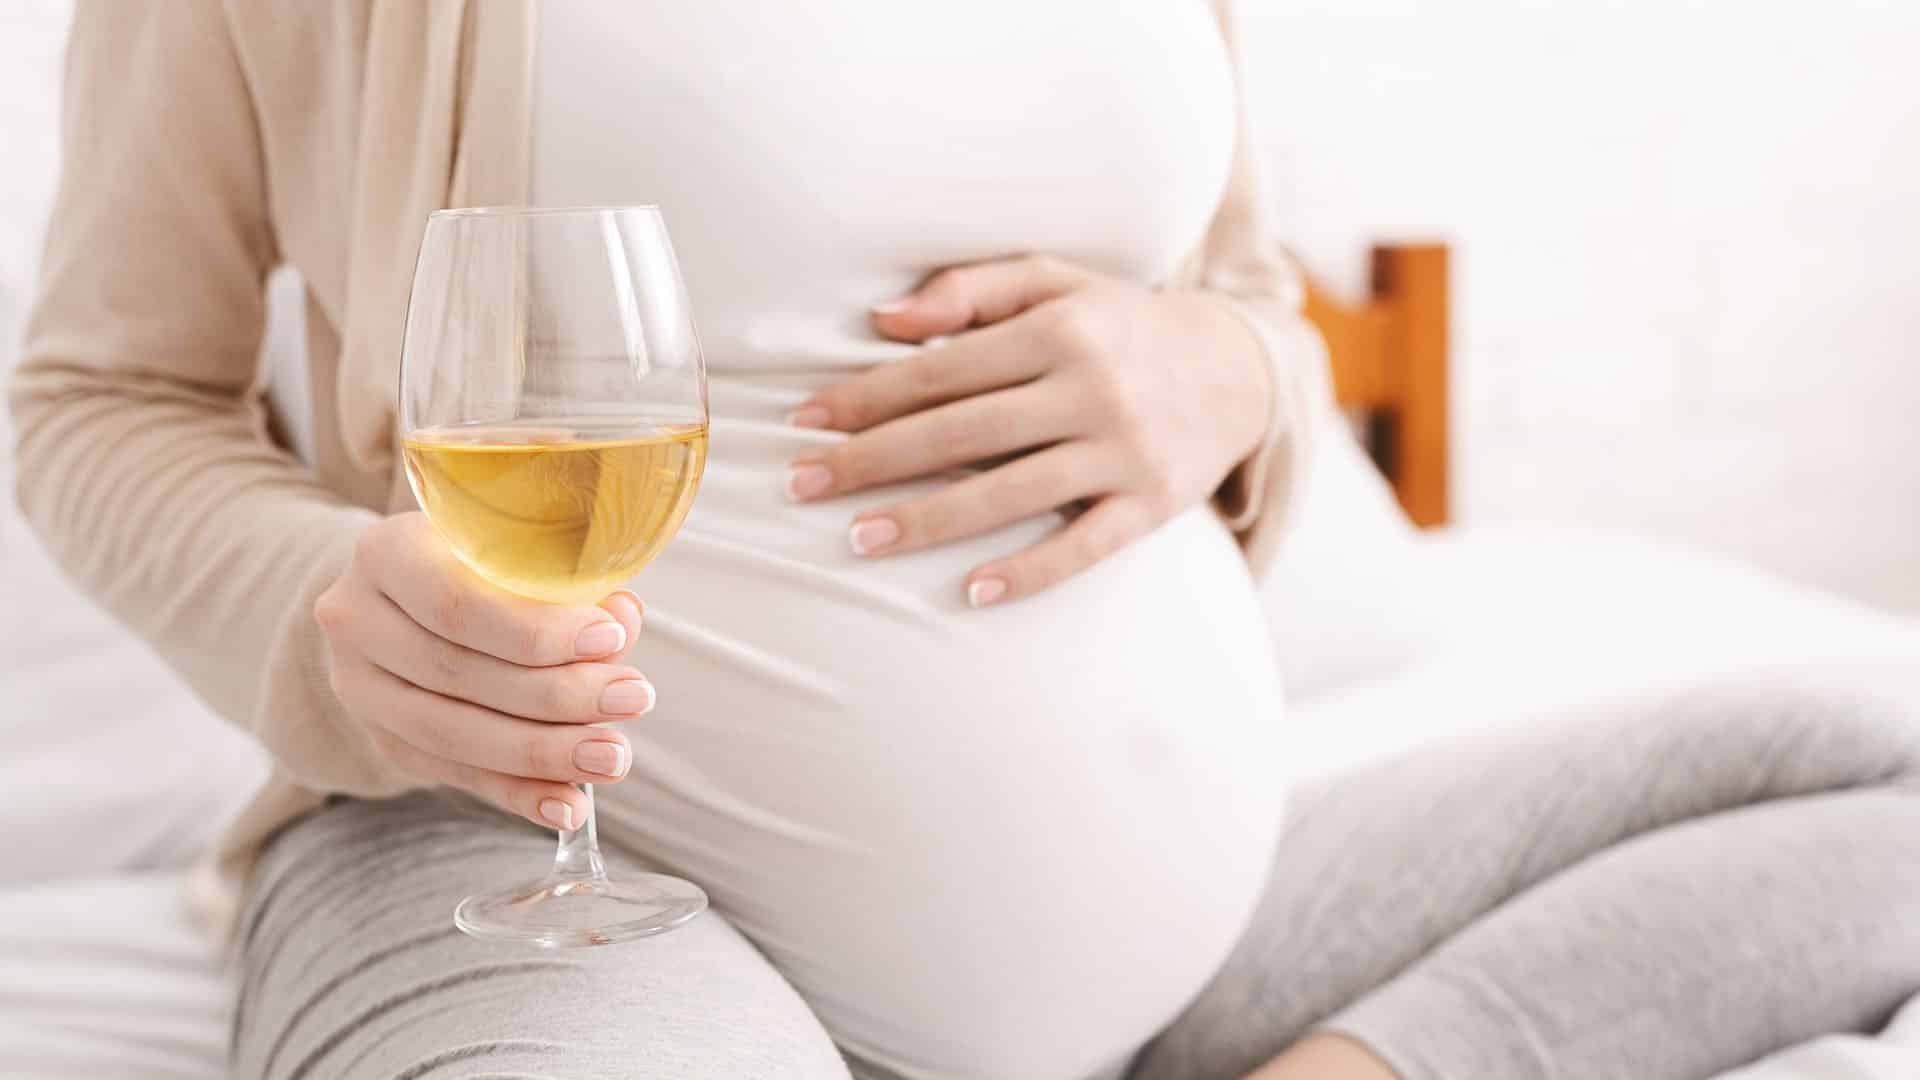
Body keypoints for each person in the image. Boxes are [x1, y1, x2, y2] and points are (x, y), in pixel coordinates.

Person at [12, 3, 1918, 1078]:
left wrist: (1237, 375)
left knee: (1887, 774)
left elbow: (1245, 296)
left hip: (1187, 946)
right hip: (550, 869)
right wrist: (321, 599)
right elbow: (96, 393)